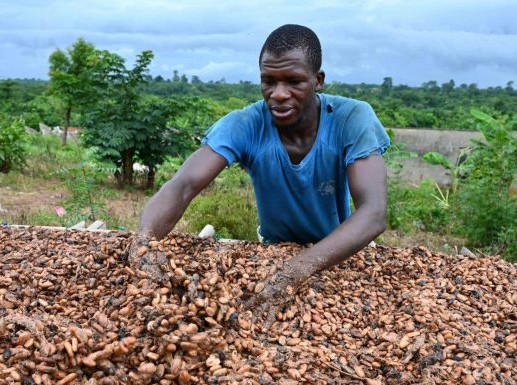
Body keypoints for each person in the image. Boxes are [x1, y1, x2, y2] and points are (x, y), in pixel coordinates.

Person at [131, 24, 390, 318]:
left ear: (317, 80)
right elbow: (183, 185)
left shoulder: (352, 119)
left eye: (293, 81)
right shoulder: (246, 123)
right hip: (272, 255)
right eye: (268, 81)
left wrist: (295, 271)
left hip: (339, 257)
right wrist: (143, 245)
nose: (278, 94)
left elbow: (373, 213)